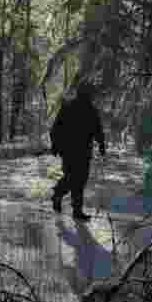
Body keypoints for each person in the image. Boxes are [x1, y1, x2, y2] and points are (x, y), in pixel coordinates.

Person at [50, 82, 107, 221]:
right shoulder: (70, 107)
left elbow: (97, 128)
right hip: (72, 151)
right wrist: (56, 145)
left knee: (77, 180)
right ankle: (62, 197)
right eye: (89, 92)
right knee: (74, 179)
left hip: (80, 151)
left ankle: (72, 206)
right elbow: (56, 128)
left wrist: (101, 144)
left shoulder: (87, 109)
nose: (91, 95)